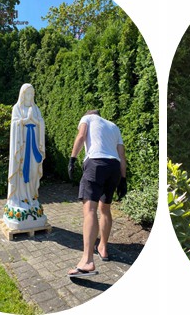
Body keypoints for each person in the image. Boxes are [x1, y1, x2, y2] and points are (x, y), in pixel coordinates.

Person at [67, 109, 127, 277]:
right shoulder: (113, 126)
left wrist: (72, 159)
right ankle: (103, 248)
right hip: (114, 168)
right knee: (105, 209)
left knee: (90, 210)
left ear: (89, 114)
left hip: (96, 165)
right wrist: (123, 179)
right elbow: (122, 155)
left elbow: (81, 137)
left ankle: (86, 261)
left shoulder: (87, 118)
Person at [1, 83, 48, 231]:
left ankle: (32, 197)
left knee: (33, 171)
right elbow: (14, 125)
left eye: (32, 94)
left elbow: (41, 123)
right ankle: (20, 199)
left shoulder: (35, 109)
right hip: (21, 149)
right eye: (27, 94)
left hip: (33, 148)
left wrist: (34, 121)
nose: (30, 97)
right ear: (22, 95)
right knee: (22, 173)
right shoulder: (17, 108)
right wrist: (23, 121)